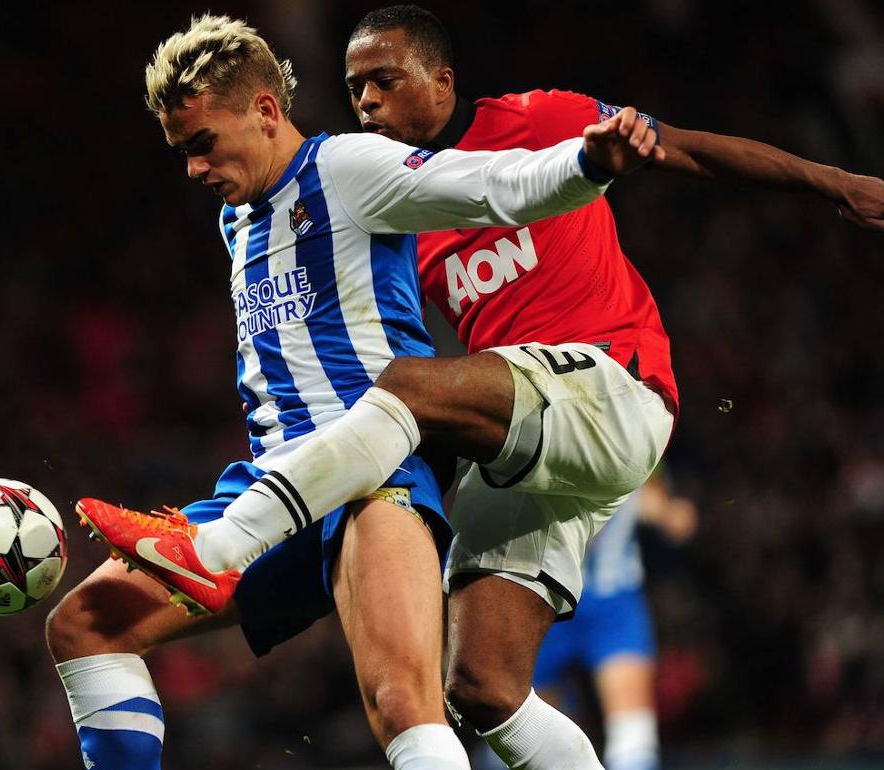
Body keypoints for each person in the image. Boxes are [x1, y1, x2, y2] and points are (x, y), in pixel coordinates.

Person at [80, 5, 884, 769]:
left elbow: (566, 174)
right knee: (483, 686)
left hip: (615, 381)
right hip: (533, 429)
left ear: (442, 79)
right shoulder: (401, 205)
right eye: (355, 88)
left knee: (412, 387)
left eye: (385, 81)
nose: (366, 101)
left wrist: (833, 183)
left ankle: (218, 545)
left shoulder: (543, 119)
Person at [54, 14, 658, 770]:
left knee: (404, 703)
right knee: (85, 625)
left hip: (372, 476)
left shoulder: (348, 168)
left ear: (266, 111)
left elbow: (488, 186)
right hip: (275, 478)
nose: (192, 168)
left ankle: (213, 548)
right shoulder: (234, 221)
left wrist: (584, 164)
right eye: (180, 152)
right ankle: (213, 546)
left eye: (202, 144)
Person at [472, 473, 697, 770]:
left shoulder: (639, 431)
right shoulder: (542, 430)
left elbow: (655, 496)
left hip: (612, 597)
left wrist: (665, 512)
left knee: (633, 728)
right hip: (545, 598)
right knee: (522, 727)